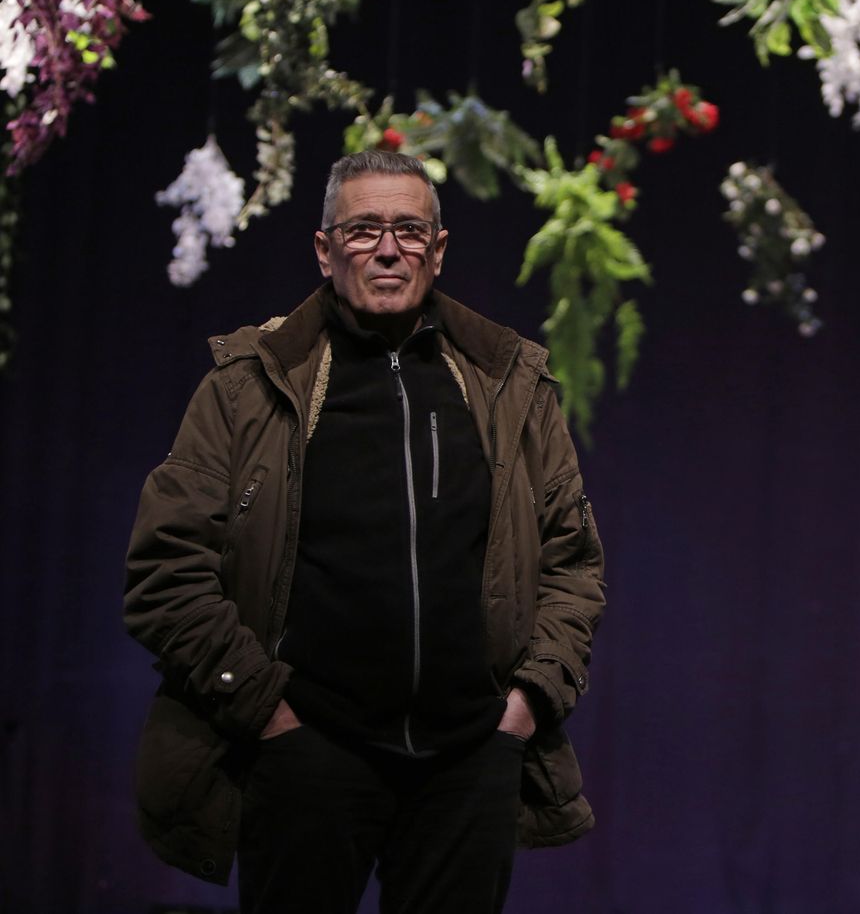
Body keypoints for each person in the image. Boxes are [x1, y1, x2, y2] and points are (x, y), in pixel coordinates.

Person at [124, 150, 606, 913]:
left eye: (410, 230)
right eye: (364, 230)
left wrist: (526, 706)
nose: (389, 248)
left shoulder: (508, 383)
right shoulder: (250, 385)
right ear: (324, 248)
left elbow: (573, 565)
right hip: (308, 752)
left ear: (438, 250)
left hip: (469, 758)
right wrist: (265, 712)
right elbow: (164, 574)